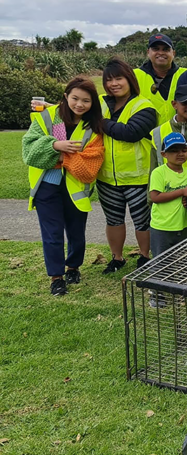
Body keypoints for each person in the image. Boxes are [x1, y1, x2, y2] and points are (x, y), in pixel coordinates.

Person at [22, 76, 105, 295]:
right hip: (47, 186)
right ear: (66, 97)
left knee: (76, 232)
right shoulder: (47, 117)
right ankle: (56, 277)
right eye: (75, 98)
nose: (80, 104)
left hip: (76, 188)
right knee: (52, 233)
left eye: (86, 101)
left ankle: (73, 267)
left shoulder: (93, 127)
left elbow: (89, 167)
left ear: (92, 103)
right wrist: (55, 145)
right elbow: (29, 152)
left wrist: (60, 158)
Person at [98, 58, 157, 273]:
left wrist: (99, 121)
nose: (114, 84)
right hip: (106, 177)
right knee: (113, 220)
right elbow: (74, 110)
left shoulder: (144, 106)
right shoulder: (101, 104)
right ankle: (117, 258)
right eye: (109, 80)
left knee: (142, 221)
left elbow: (130, 133)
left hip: (137, 177)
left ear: (129, 80)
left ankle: (144, 256)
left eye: (119, 78)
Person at [149, 132, 187, 259]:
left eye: (183, 150)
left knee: (182, 261)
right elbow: (155, 197)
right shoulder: (159, 172)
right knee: (160, 262)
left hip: (183, 226)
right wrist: (181, 192)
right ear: (164, 154)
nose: (180, 154)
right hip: (162, 227)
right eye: (174, 150)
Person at [134, 33, 187, 125]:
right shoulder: (134, 76)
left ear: (173, 53)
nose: (160, 53)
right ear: (148, 52)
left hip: (181, 137)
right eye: (156, 49)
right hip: (147, 138)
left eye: (166, 49)